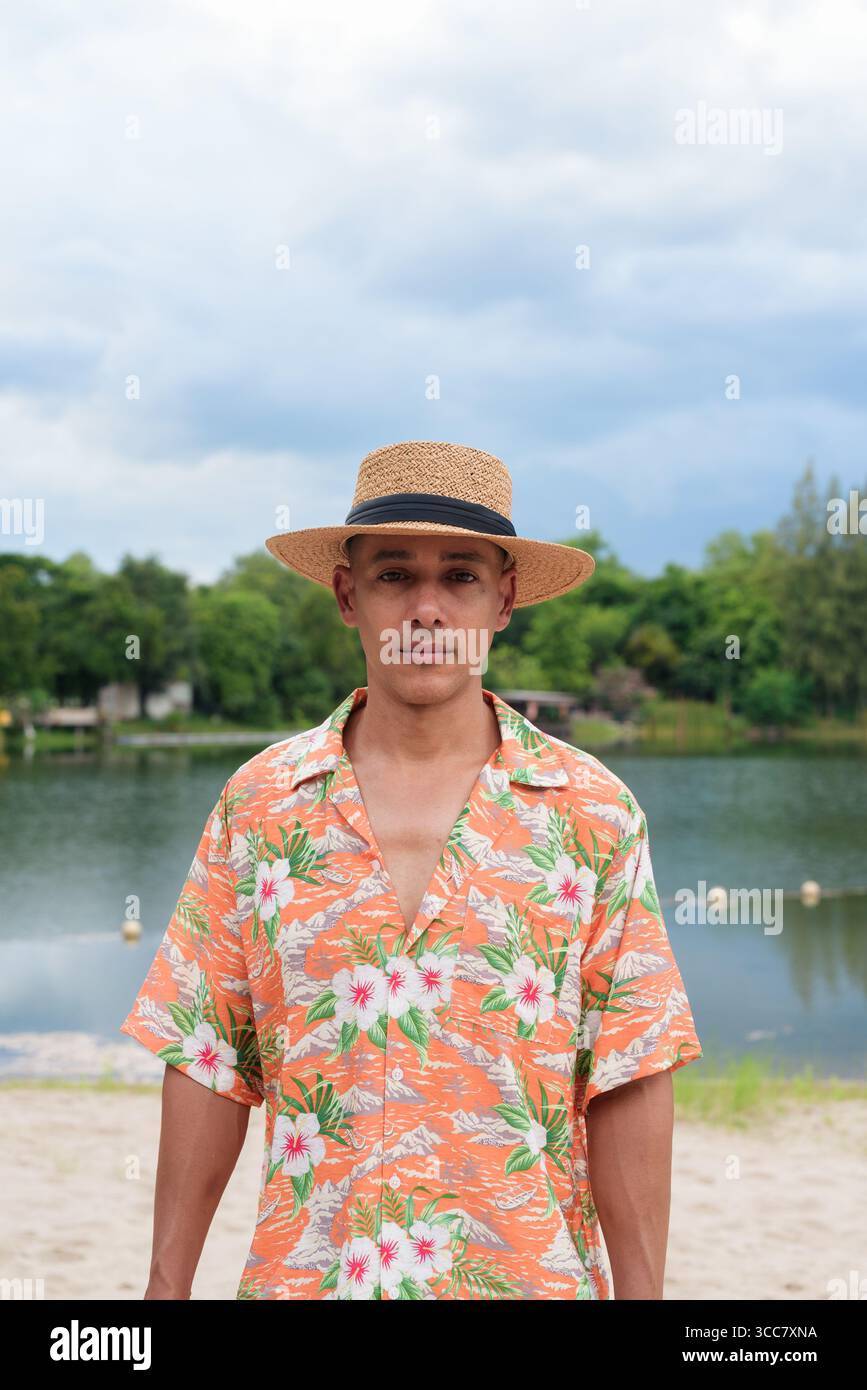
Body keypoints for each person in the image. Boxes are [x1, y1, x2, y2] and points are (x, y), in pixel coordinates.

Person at [120, 439, 703, 1300]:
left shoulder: (592, 814)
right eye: (395, 575)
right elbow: (209, 1058)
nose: (426, 609)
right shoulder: (261, 805)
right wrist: (163, 1293)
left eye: (460, 576)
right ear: (347, 595)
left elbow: (627, 1073)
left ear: (502, 599)